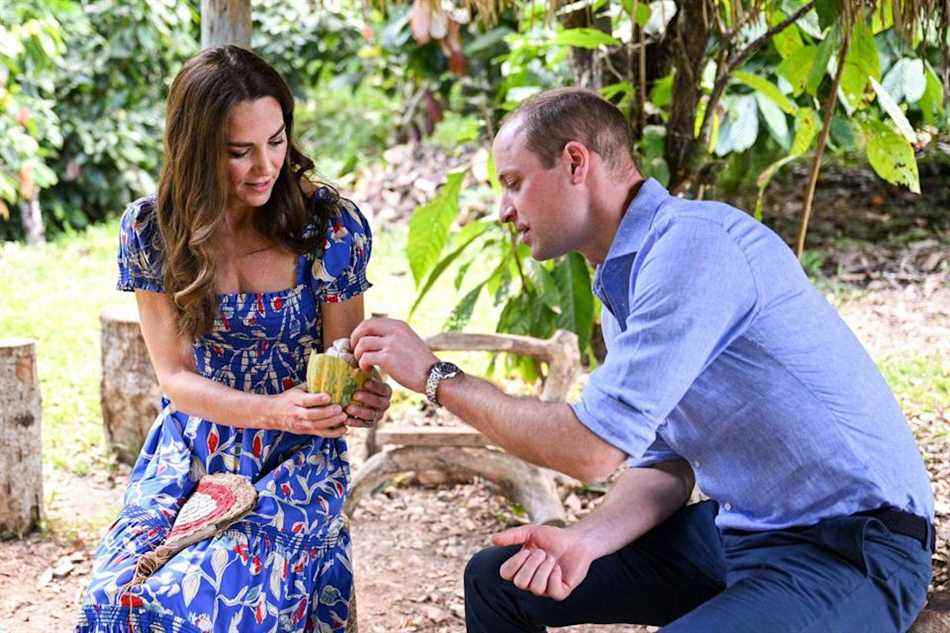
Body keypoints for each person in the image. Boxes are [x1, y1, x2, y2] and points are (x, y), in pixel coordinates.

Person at [349, 88, 935, 632]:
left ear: (576, 163)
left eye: (514, 182)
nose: (504, 210)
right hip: (742, 530)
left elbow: (590, 449)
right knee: (495, 579)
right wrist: (583, 540)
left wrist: (435, 377)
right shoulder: (624, 283)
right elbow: (663, 464)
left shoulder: (694, 248)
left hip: (852, 545)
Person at [76, 46, 391, 633]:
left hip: (296, 459)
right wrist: (272, 408)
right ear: (194, 151)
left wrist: (363, 398)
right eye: (238, 152)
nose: (265, 166)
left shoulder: (329, 228)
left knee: (195, 606)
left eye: (275, 141)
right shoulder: (153, 231)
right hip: (191, 449)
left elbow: (343, 366)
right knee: (114, 601)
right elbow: (174, 378)